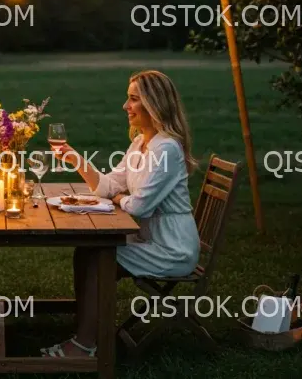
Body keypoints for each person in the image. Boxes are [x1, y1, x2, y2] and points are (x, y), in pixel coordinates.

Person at [40, 70, 201, 358]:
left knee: (97, 254)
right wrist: (75, 158)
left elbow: (140, 206)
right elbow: (111, 184)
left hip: (172, 249)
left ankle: (86, 343)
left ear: (154, 104)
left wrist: (119, 198)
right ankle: (88, 332)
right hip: (149, 240)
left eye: (133, 99)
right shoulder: (141, 142)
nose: (125, 106)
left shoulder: (166, 150)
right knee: (86, 251)